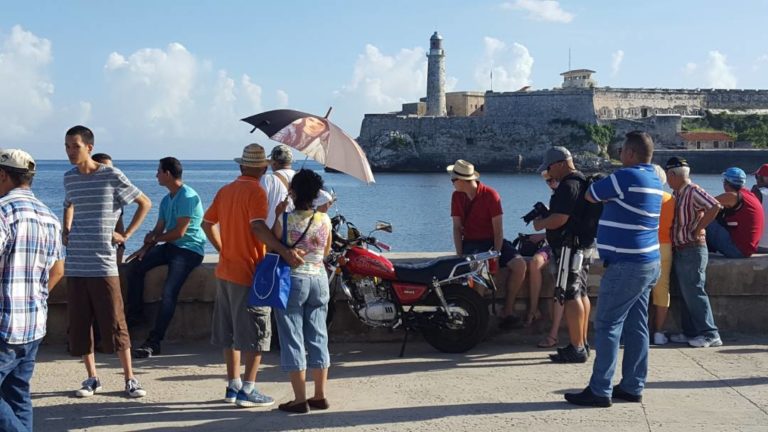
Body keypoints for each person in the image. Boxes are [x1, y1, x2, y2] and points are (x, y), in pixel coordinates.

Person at [564, 131, 663, 408]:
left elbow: (590, 195)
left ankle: (599, 389)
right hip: (648, 262)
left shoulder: (626, 176)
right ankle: (632, 386)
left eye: (621, 150)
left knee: (608, 324)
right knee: (636, 326)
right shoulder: (654, 179)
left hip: (626, 265)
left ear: (630, 153)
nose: (619, 154)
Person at [201, 143, 302, 408]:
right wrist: (283, 250)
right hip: (249, 271)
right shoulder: (256, 191)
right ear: (262, 168)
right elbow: (257, 226)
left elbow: (207, 223)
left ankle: (233, 385)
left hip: (225, 269)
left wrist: (223, 249)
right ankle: (248, 389)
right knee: (257, 332)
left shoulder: (226, 190)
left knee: (229, 334)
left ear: (241, 166)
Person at [63, 125, 152, 398]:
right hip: (76, 263)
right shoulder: (69, 178)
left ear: (89, 147)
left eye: (75, 146)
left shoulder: (111, 175)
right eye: (67, 147)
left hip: (103, 263)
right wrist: (66, 230)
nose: (70, 152)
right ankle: (92, 378)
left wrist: (125, 235)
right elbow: (68, 204)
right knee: (80, 324)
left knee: (115, 321)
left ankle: (130, 378)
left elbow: (144, 203)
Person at [0, 149, 65, 432]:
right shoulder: (49, 216)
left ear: (3, 175)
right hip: (34, 322)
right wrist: (31, 297)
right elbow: (58, 270)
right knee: (18, 395)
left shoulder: (4, 211)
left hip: (4, 323)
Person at [125, 157, 207, 358]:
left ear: (167, 174)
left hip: (189, 250)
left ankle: (154, 341)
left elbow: (179, 232)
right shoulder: (166, 199)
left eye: (159, 171)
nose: (156, 175)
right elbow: (159, 229)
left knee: (169, 291)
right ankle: (135, 316)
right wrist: (145, 248)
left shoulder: (188, 196)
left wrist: (155, 239)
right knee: (135, 266)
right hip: (171, 247)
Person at [532, 147, 601, 363]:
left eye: (549, 168)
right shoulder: (581, 182)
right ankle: (582, 342)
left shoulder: (568, 185)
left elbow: (560, 219)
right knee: (581, 293)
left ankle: (577, 347)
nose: (548, 173)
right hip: (582, 246)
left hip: (569, 249)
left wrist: (540, 224)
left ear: (560, 163)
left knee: (570, 295)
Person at [272, 169, 333, 414]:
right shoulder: (325, 219)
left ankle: (299, 399)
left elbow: (275, 246)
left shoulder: (285, 219)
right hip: (319, 278)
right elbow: (325, 252)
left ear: (293, 192)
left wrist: (278, 212)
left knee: (292, 337)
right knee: (318, 335)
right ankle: (320, 395)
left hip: (293, 280)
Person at [447, 159, 528, 328]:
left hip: (493, 240)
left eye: (453, 179)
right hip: (472, 242)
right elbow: (456, 228)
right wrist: (459, 255)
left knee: (520, 265)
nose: (451, 182)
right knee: (478, 273)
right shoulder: (457, 197)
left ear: (462, 180)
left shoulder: (490, 195)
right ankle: (478, 320)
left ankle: (508, 310)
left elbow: (498, 230)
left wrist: (496, 255)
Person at [665, 157, 723, 348]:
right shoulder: (678, 193)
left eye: (668, 175)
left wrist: (699, 228)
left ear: (673, 174)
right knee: (686, 293)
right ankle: (690, 332)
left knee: (695, 291)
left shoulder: (692, 191)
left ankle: (710, 333)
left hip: (692, 248)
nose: (667, 180)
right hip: (682, 248)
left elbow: (715, 206)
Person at [530, 172, 564, 348]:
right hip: (551, 245)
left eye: (553, 180)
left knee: (556, 288)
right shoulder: (556, 198)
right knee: (535, 262)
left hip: (563, 248)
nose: (550, 183)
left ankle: (553, 333)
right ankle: (533, 309)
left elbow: (562, 223)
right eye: (547, 181)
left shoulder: (566, 197)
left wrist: (540, 226)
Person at [706, 167, 764, 258]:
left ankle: (693, 249)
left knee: (704, 218)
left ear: (726, 183)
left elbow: (704, 203)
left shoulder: (732, 196)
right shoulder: (750, 195)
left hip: (737, 250)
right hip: (747, 249)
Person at [650, 164, 675, 346]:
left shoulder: (642, 198)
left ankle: (638, 330)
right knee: (662, 290)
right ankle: (658, 332)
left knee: (640, 290)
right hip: (665, 246)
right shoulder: (671, 200)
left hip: (646, 245)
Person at [261, 145, 296, 229]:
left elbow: (259, 206)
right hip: (296, 232)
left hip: (272, 233)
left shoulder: (267, 179)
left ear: (274, 162)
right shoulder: (301, 178)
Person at [752, 164, 768, 253]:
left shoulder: (758, 193)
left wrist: (752, 193)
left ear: (762, 178)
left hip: (761, 246)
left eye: (756, 177)